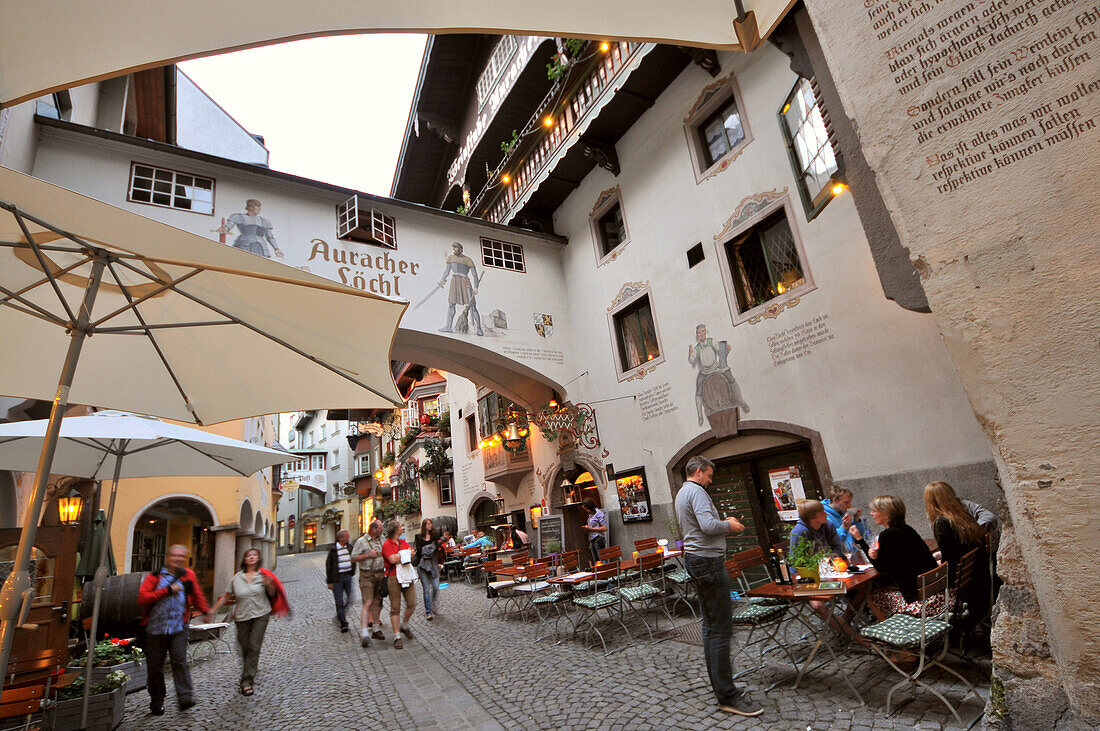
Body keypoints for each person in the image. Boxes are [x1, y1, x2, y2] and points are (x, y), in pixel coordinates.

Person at [673, 456, 763, 717]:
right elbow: (708, 526)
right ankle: (727, 695)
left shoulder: (682, 492)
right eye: (709, 475)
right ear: (699, 471)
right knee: (719, 629)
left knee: (713, 627)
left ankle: (724, 689)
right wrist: (729, 525)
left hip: (699, 561)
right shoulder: (697, 492)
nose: (711, 481)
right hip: (708, 563)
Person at [137, 544, 211, 716]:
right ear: (168, 557)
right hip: (155, 629)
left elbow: (197, 594)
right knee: (155, 667)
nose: (177, 559)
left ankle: (185, 697)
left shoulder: (188, 575)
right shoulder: (154, 577)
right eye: (174, 555)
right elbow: (142, 598)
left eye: (181, 556)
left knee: (179, 660)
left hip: (179, 626)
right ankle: (157, 702)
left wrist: (206, 611)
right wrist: (167, 590)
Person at [210, 548, 290, 695]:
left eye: (255, 555)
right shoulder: (237, 578)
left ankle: (246, 681)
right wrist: (213, 610)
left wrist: (269, 585)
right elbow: (227, 596)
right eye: (249, 555)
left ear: (258, 559)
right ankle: (251, 666)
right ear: (245, 559)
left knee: (254, 646)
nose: (252, 557)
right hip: (242, 616)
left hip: (261, 614)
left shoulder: (263, 575)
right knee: (244, 647)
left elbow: (272, 594)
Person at [788, 500, 864, 642]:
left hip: (831, 571)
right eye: (822, 512)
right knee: (818, 604)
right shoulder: (798, 532)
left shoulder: (827, 525)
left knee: (863, 587)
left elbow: (838, 547)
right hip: (808, 578)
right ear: (813, 518)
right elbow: (796, 562)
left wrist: (830, 558)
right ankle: (858, 639)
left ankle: (842, 625)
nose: (825, 514)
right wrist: (817, 565)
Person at [857, 495, 943, 621]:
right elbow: (899, 558)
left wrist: (861, 541)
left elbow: (881, 568)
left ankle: (892, 634)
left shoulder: (887, 535)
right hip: (937, 594)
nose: (871, 514)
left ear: (886, 514)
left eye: (874, 511)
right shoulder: (908, 529)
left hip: (921, 602)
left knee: (871, 596)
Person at [924, 481, 991, 626]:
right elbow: (958, 549)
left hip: (959, 586)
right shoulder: (962, 516)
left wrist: (934, 565)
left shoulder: (941, 522)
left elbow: (950, 559)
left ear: (931, 502)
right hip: (977, 579)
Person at [381, 520, 417, 649]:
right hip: (393, 577)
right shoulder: (387, 545)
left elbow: (412, 553)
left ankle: (404, 625)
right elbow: (392, 559)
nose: (402, 529)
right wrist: (405, 555)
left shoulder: (403, 542)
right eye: (400, 527)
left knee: (412, 603)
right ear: (396, 530)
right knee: (395, 607)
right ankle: (397, 636)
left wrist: (401, 556)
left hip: (406, 575)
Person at [351, 519, 387, 647]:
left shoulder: (382, 539)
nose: (382, 529)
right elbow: (353, 557)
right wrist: (368, 555)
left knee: (377, 602)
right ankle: (365, 633)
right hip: (367, 575)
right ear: (374, 529)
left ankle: (376, 629)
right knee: (368, 602)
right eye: (380, 527)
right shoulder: (361, 541)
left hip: (380, 574)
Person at [437, 241, 483, 335]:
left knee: (472, 306)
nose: (454, 249)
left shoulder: (468, 260)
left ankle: (479, 329)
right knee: (451, 304)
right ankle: (448, 326)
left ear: (461, 249)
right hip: (455, 282)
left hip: (465, 282)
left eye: (456, 247)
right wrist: (442, 279)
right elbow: (447, 271)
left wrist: (476, 287)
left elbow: (474, 275)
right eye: (453, 247)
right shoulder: (450, 258)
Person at [216, 199, 283, 259]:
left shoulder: (264, 221)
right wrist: (225, 229)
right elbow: (229, 225)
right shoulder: (240, 217)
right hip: (244, 244)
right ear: (252, 207)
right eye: (258, 207)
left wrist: (276, 248)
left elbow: (269, 236)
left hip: (261, 246)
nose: (260, 209)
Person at [821, 485, 872, 556]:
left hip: (854, 553)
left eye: (850, 502)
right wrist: (843, 527)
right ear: (835, 500)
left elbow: (859, 535)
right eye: (846, 502)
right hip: (839, 557)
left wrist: (857, 520)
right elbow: (832, 541)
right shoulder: (824, 515)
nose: (849, 506)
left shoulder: (842, 512)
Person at [325, 529, 355, 633]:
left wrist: (352, 571)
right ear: (340, 538)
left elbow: (354, 559)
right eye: (346, 536)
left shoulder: (350, 548)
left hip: (348, 577)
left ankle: (340, 614)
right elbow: (328, 566)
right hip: (337, 579)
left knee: (350, 599)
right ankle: (343, 623)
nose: (348, 538)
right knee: (339, 601)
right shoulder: (333, 550)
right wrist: (329, 581)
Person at [414, 518, 442, 620]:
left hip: (433, 564)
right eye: (428, 524)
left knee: (435, 587)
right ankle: (428, 612)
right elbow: (419, 551)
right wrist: (430, 548)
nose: (430, 525)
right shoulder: (418, 537)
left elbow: (438, 550)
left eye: (431, 523)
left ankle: (434, 604)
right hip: (423, 565)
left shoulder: (435, 536)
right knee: (426, 589)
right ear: (424, 525)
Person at [580, 498, 608, 565]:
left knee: (602, 559)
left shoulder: (598, 514)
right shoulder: (590, 515)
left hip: (598, 539)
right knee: (596, 561)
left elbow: (604, 528)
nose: (586, 511)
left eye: (586, 509)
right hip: (592, 539)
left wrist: (591, 529)